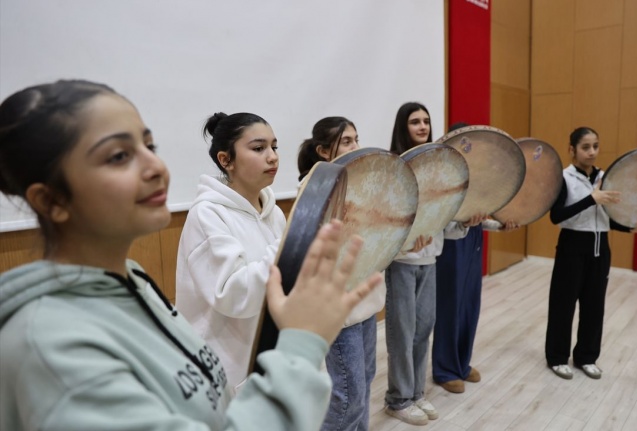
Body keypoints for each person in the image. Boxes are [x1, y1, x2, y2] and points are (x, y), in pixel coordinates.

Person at [0, 79, 380, 430]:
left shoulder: (133, 282)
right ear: (51, 200)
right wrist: (300, 345)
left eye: (149, 147)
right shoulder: (51, 346)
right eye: (118, 156)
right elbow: (234, 293)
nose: (156, 167)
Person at [175, 112, 286, 391]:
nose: (272, 157)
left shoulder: (274, 213)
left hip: (269, 356)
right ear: (226, 160)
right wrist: (288, 245)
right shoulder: (207, 214)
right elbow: (233, 295)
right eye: (259, 148)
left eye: (274, 146)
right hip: (225, 368)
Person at [383, 103, 473, 426]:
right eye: (414, 121)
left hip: (430, 260)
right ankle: (398, 399)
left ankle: (416, 392)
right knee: (402, 333)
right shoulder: (394, 168)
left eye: (426, 121)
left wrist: (465, 222)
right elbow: (387, 222)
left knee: (423, 329)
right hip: (402, 263)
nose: (422, 126)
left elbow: (442, 218)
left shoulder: (438, 167)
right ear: (402, 127)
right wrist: (407, 243)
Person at [298, 117, 385, 431]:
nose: (355, 147)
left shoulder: (365, 185)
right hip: (337, 307)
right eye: (346, 141)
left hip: (365, 300)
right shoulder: (313, 190)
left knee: (365, 381)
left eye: (356, 139)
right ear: (323, 151)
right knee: (348, 396)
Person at [545, 126, 637, 380]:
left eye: (595, 146)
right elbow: (556, 216)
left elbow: (607, 218)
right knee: (563, 305)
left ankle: (586, 357)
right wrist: (591, 199)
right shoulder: (564, 178)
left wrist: (630, 227)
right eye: (585, 147)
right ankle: (557, 358)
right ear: (572, 149)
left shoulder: (606, 177)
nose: (592, 152)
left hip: (600, 248)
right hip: (572, 246)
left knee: (594, 306)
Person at [431, 122, 518, 395]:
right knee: (449, 307)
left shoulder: (478, 177)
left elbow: (479, 217)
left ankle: (462, 363)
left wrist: (499, 226)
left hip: (473, 242)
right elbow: (439, 221)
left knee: (470, 305)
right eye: (464, 144)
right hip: (451, 246)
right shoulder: (442, 179)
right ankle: (445, 369)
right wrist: (464, 223)